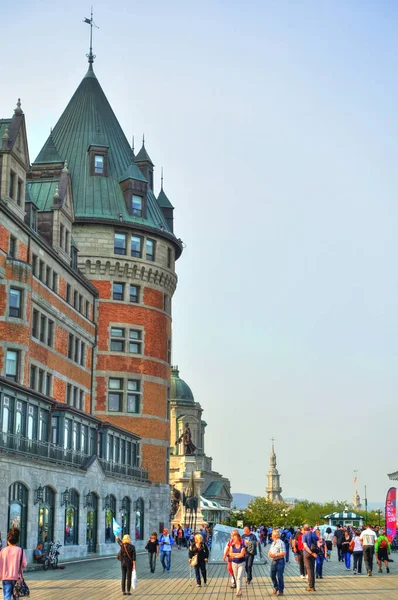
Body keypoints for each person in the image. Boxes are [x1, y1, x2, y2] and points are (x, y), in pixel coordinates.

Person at [0, 528, 27, 600]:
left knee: (7, 596)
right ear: (17, 540)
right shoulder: (20, 550)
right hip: (17, 578)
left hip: (5, 577)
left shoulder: (3, 551)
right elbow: (24, 564)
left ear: (8, 540)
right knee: (16, 597)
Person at [268, 529, 286, 596]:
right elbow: (270, 551)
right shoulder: (273, 543)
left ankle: (281, 590)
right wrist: (269, 554)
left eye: (272, 534)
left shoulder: (281, 542)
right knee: (272, 575)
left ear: (275, 535)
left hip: (280, 561)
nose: (271, 535)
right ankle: (276, 587)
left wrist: (275, 555)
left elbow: (284, 553)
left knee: (279, 576)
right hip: (274, 561)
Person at [228, 530, 246, 597]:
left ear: (238, 538)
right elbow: (230, 554)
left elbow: (242, 555)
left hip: (241, 563)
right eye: (233, 538)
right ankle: (238, 589)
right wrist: (237, 554)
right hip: (234, 563)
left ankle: (239, 590)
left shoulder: (242, 546)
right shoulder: (232, 546)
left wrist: (234, 555)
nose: (233, 539)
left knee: (239, 577)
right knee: (235, 577)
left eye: (235, 538)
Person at [302, 524, 318, 592]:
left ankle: (310, 586)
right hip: (314, 553)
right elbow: (318, 543)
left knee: (309, 570)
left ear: (304, 529)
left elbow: (305, 546)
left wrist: (310, 552)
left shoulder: (304, 535)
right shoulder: (314, 534)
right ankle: (313, 585)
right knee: (312, 569)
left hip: (307, 553)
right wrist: (314, 553)